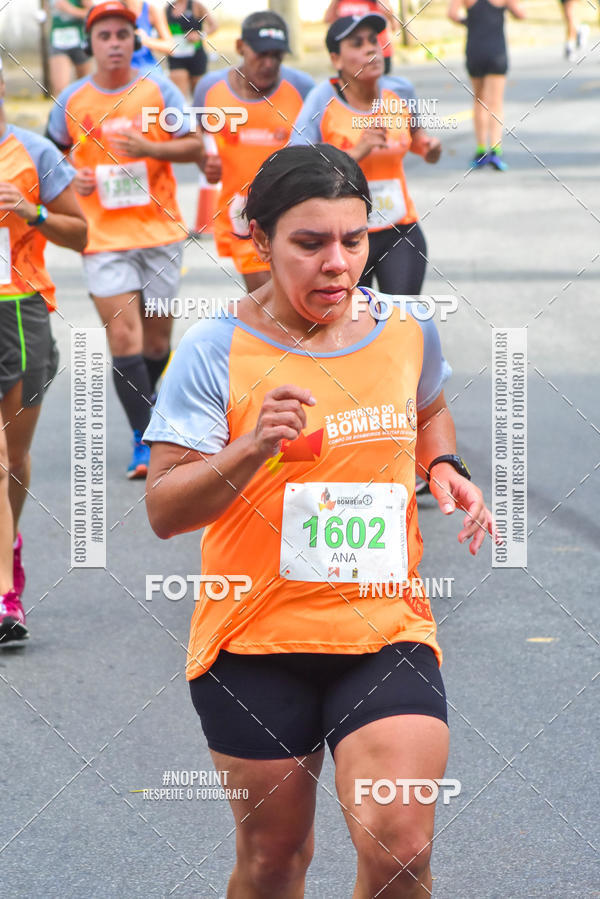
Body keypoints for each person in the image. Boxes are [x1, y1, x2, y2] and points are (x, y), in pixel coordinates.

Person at [143, 144, 496, 898]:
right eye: (310, 243)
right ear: (261, 240)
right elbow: (165, 509)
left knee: (401, 848)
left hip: (384, 630)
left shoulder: (407, 328)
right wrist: (250, 447)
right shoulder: (215, 349)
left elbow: (428, 408)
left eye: (354, 239)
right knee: (276, 858)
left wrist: (443, 468)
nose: (338, 262)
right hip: (253, 640)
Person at [46, 0, 204, 479]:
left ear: (133, 39)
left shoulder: (159, 90)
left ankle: (161, 419)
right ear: (91, 44)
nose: (114, 44)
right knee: (123, 335)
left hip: (158, 233)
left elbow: (196, 144)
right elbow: (50, 155)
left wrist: (152, 147)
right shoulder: (71, 99)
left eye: (121, 35)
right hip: (103, 237)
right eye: (104, 36)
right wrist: (72, 175)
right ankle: (145, 440)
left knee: (157, 341)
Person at [0, 61, 87, 644]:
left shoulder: (32, 151)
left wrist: (30, 211)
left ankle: (10, 543)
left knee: (15, 458)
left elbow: (81, 233)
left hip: (18, 310)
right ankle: (4, 591)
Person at [292, 13, 441, 297]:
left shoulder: (400, 91)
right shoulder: (322, 99)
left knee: (401, 320)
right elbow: (299, 166)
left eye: (374, 41)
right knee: (352, 329)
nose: (371, 49)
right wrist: (358, 150)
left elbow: (417, 139)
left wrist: (429, 148)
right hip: (342, 238)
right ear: (336, 59)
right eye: (357, 43)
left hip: (399, 228)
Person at [193, 10, 314, 292]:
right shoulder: (209, 90)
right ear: (240, 48)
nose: (269, 64)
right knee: (269, 303)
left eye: (277, 55)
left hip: (295, 210)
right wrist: (204, 164)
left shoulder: (303, 88)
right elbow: (195, 138)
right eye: (261, 54)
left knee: (295, 307)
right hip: (244, 214)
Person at [448, 0, 525, 170]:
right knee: (495, 102)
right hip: (496, 50)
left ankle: (481, 150)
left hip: (475, 49)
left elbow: (452, 14)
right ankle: (495, 150)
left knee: (478, 99)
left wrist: (467, 21)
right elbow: (521, 14)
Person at [325, 0, 396, 73]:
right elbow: (328, 19)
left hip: (381, 51)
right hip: (352, 57)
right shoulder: (341, 2)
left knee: (381, 81)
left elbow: (394, 25)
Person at [166, 0, 217, 98]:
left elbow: (214, 26)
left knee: (198, 95)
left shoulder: (197, 6)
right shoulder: (167, 9)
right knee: (179, 95)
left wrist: (199, 34)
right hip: (176, 56)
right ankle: (181, 112)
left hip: (196, 55)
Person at [48, 0, 93, 95]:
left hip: (79, 42)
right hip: (58, 42)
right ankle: (63, 109)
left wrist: (70, 9)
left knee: (84, 88)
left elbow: (92, 12)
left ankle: (83, 109)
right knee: (60, 89)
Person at [121, 0, 176, 72]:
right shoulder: (112, 8)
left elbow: (171, 47)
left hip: (146, 68)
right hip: (121, 69)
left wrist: (145, 40)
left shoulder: (151, 9)